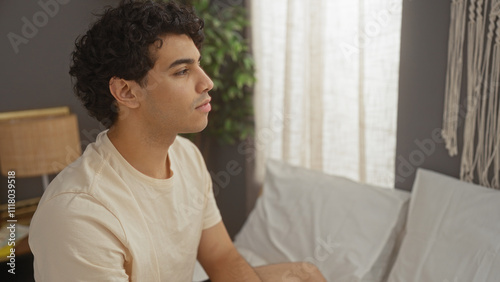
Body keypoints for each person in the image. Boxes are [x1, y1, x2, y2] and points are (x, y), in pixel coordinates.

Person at [28, 1, 326, 281]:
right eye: (183, 71)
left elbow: (222, 258)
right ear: (127, 92)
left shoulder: (186, 156)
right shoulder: (79, 214)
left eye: (198, 64)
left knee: (302, 273)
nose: (207, 82)